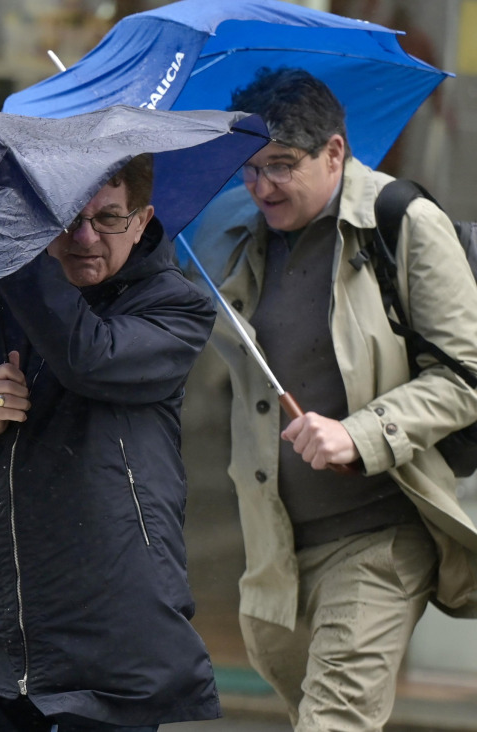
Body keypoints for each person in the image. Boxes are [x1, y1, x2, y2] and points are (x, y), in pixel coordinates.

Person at [191, 67, 477, 731]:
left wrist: (362, 433)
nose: (261, 186)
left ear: (335, 153)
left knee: (336, 723)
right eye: (250, 168)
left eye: (282, 166)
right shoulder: (240, 237)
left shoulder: (400, 222)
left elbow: (468, 373)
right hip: (274, 551)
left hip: (380, 536)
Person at [0, 154, 221, 732]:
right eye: (67, 217)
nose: (85, 237)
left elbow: (87, 356)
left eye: (109, 218)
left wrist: (13, 255)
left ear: (143, 221)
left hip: (108, 648)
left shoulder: (174, 308)